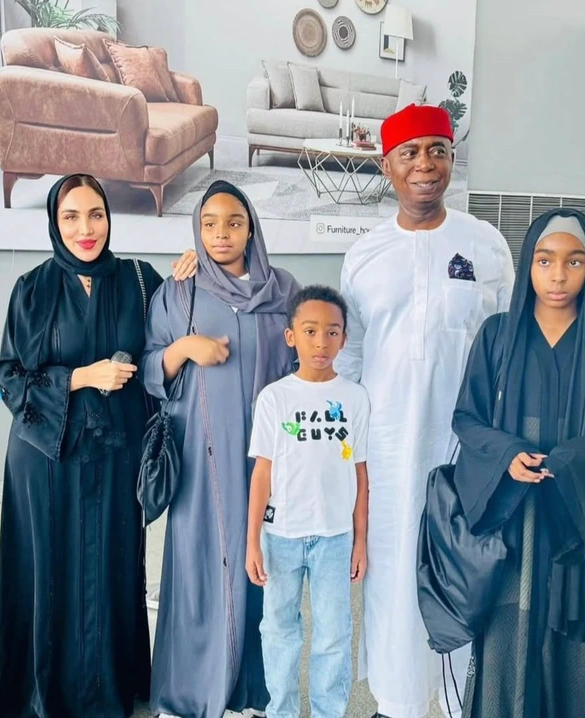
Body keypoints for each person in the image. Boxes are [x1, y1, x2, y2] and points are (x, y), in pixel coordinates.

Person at [0, 174, 196, 718]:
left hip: (118, 453)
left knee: (113, 565)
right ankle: (46, 692)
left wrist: (196, 273)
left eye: (95, 214)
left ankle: (111, 687)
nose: (85, 228)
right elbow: (10, 377)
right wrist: (79, 377)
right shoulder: (32, 289)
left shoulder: (139, 280)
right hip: (46, 458)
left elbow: (173, 341)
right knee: (49, 568)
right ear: (55, 222)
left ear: (109, 217)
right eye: (71, 216)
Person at [334, 103, 515, 718]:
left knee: (467, 566)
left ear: (451, 158)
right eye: (409, 153)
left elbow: (506, 349)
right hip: (388, 449)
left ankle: (462, 699)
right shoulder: (364, 254)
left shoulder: (486, 245)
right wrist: (346, 456)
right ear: (387, 166)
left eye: (437, 150)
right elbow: (349, 360)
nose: (424, 164)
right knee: (392, 574)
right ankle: (399, 701)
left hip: (468, 447)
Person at [451, 209, 585, 718]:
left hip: (574, 515)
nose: (558, 276)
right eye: (545, 261)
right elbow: (466, 416)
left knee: (574, 637)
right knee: (510, 626)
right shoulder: (498, 334)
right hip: (512, 514)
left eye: (575, 262)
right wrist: (506, 454)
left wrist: (573, 461)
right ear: (528, 263)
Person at [143, 180, 300, 718]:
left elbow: (304, 368)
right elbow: (150, 367)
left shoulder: (283, 291)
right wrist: (186, 347)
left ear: (251, 228)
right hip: (201, 461)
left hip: (266, 462)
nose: (221, 234)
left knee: (263, 571)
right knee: (199, 571)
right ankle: (187, 694)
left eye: (234, 222)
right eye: (209, 224)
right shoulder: (180, 291)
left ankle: (253, 691)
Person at [246, 285, 370, 718]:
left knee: (334, 634)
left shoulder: (355, 398)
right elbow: (262, 474)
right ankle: (280, 710)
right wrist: (252, 542)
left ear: (344, 338)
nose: (321, 342)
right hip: (280, 535)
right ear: (291, 336)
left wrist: (360, 540)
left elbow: (360, 474)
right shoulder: (274, 397)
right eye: (311, 331)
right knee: (279, 630)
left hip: (335, 537)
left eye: (332, 332)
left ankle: (327, 712)